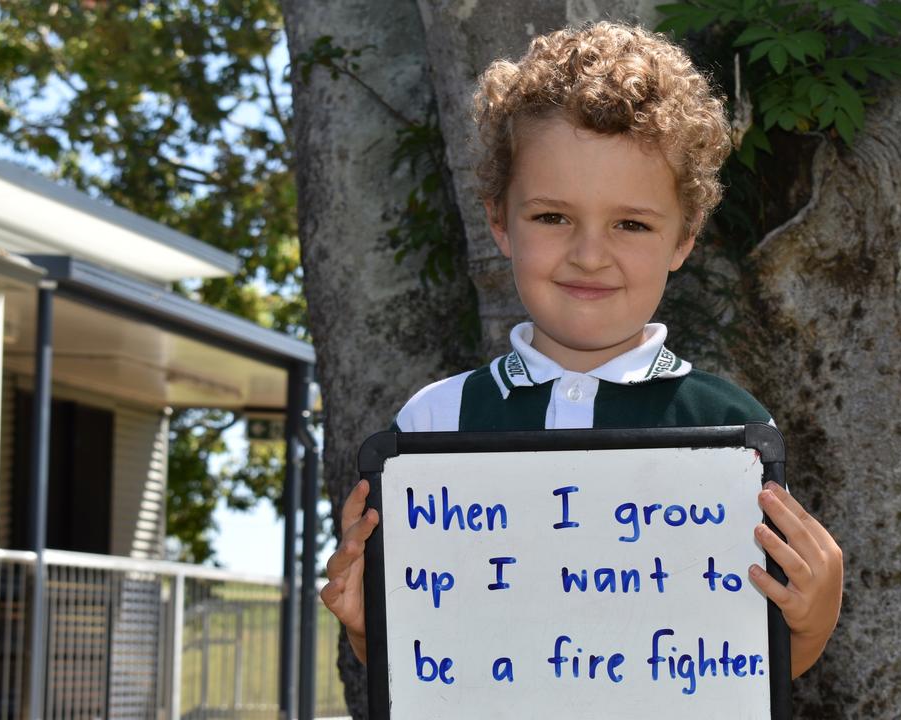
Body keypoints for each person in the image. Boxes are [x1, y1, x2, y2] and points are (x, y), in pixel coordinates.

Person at [320, 19, 843, 681]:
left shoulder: (730, 433)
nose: (589, 254)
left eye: (631, 223)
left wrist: (814, 615)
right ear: (498, 221)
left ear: (683, 239)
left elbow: (743, 671)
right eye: (551, 217)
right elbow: (424, 667)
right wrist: (373, 628)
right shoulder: (431, 426)